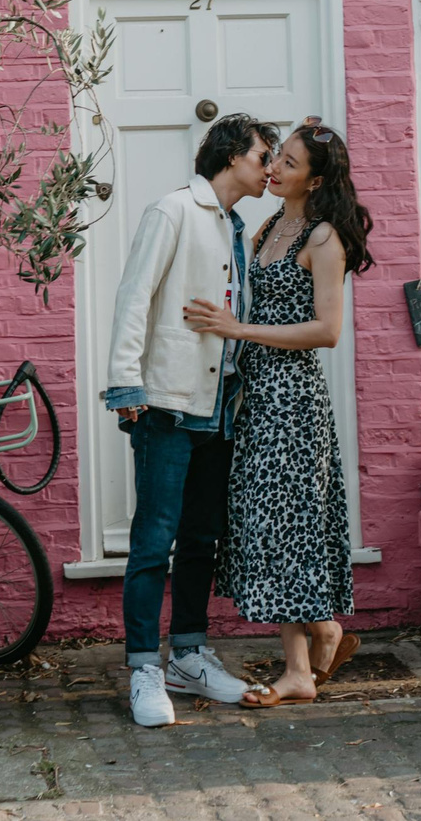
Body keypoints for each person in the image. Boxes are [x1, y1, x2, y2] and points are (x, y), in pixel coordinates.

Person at [186, 116, 374, 707]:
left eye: (288, 163)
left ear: (315, 182)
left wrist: (237, 328)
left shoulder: (322, 239)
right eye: (277, 158)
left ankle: (302, 666)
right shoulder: (270, 226)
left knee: (288, 524)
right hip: (257, 395)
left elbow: (328, 329)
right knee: (269, 526)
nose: (274, 168)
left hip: (294, 402)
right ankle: (322, 635)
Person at [102, 112, 275, 728]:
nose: (269, 168)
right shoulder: (171, 210)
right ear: (231, 156)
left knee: (202, 539)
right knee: (154, 540)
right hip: (167, 403)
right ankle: (145, 667)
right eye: (262, 156)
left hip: (219, 409)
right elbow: (134, 296)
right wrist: (126, 383)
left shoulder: (234, 225)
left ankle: (191, 655)